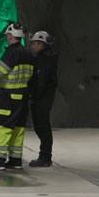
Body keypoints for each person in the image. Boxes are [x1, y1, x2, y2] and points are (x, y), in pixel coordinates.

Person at [0, 22, 35, 170]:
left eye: (7, 35)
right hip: (23, 95)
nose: (7, 38)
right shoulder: (28, 53)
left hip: (10, 96)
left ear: (11, 36)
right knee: (18, 128)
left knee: (3, 126)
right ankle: (15, 160)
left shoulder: (11, 52)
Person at [28, 31, 58, 167]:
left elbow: (41, 82)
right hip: (43, 99)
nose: (32, 46)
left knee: (42, 127)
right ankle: (45, 156)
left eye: (34, 43)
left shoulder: (44, 61)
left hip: (42, 100)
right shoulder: (45, 59)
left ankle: (45, 157)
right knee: (42, 127)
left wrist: (34, 96)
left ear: (41, 44)